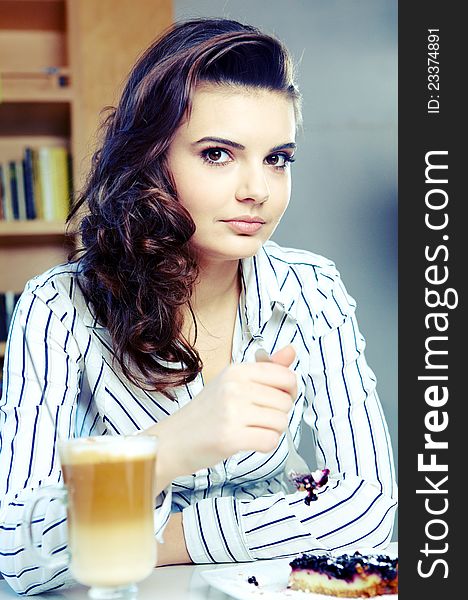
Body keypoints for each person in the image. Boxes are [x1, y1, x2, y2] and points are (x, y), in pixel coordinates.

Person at [0, 17, 397, 595]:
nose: (256, 189)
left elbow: (370, 505)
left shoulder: (312, 290)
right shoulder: (59, 306)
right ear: (151, 159)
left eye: (277, 158)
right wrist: (166, 449)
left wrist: (154, 538)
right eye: (217, 154)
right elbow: (16, 549)